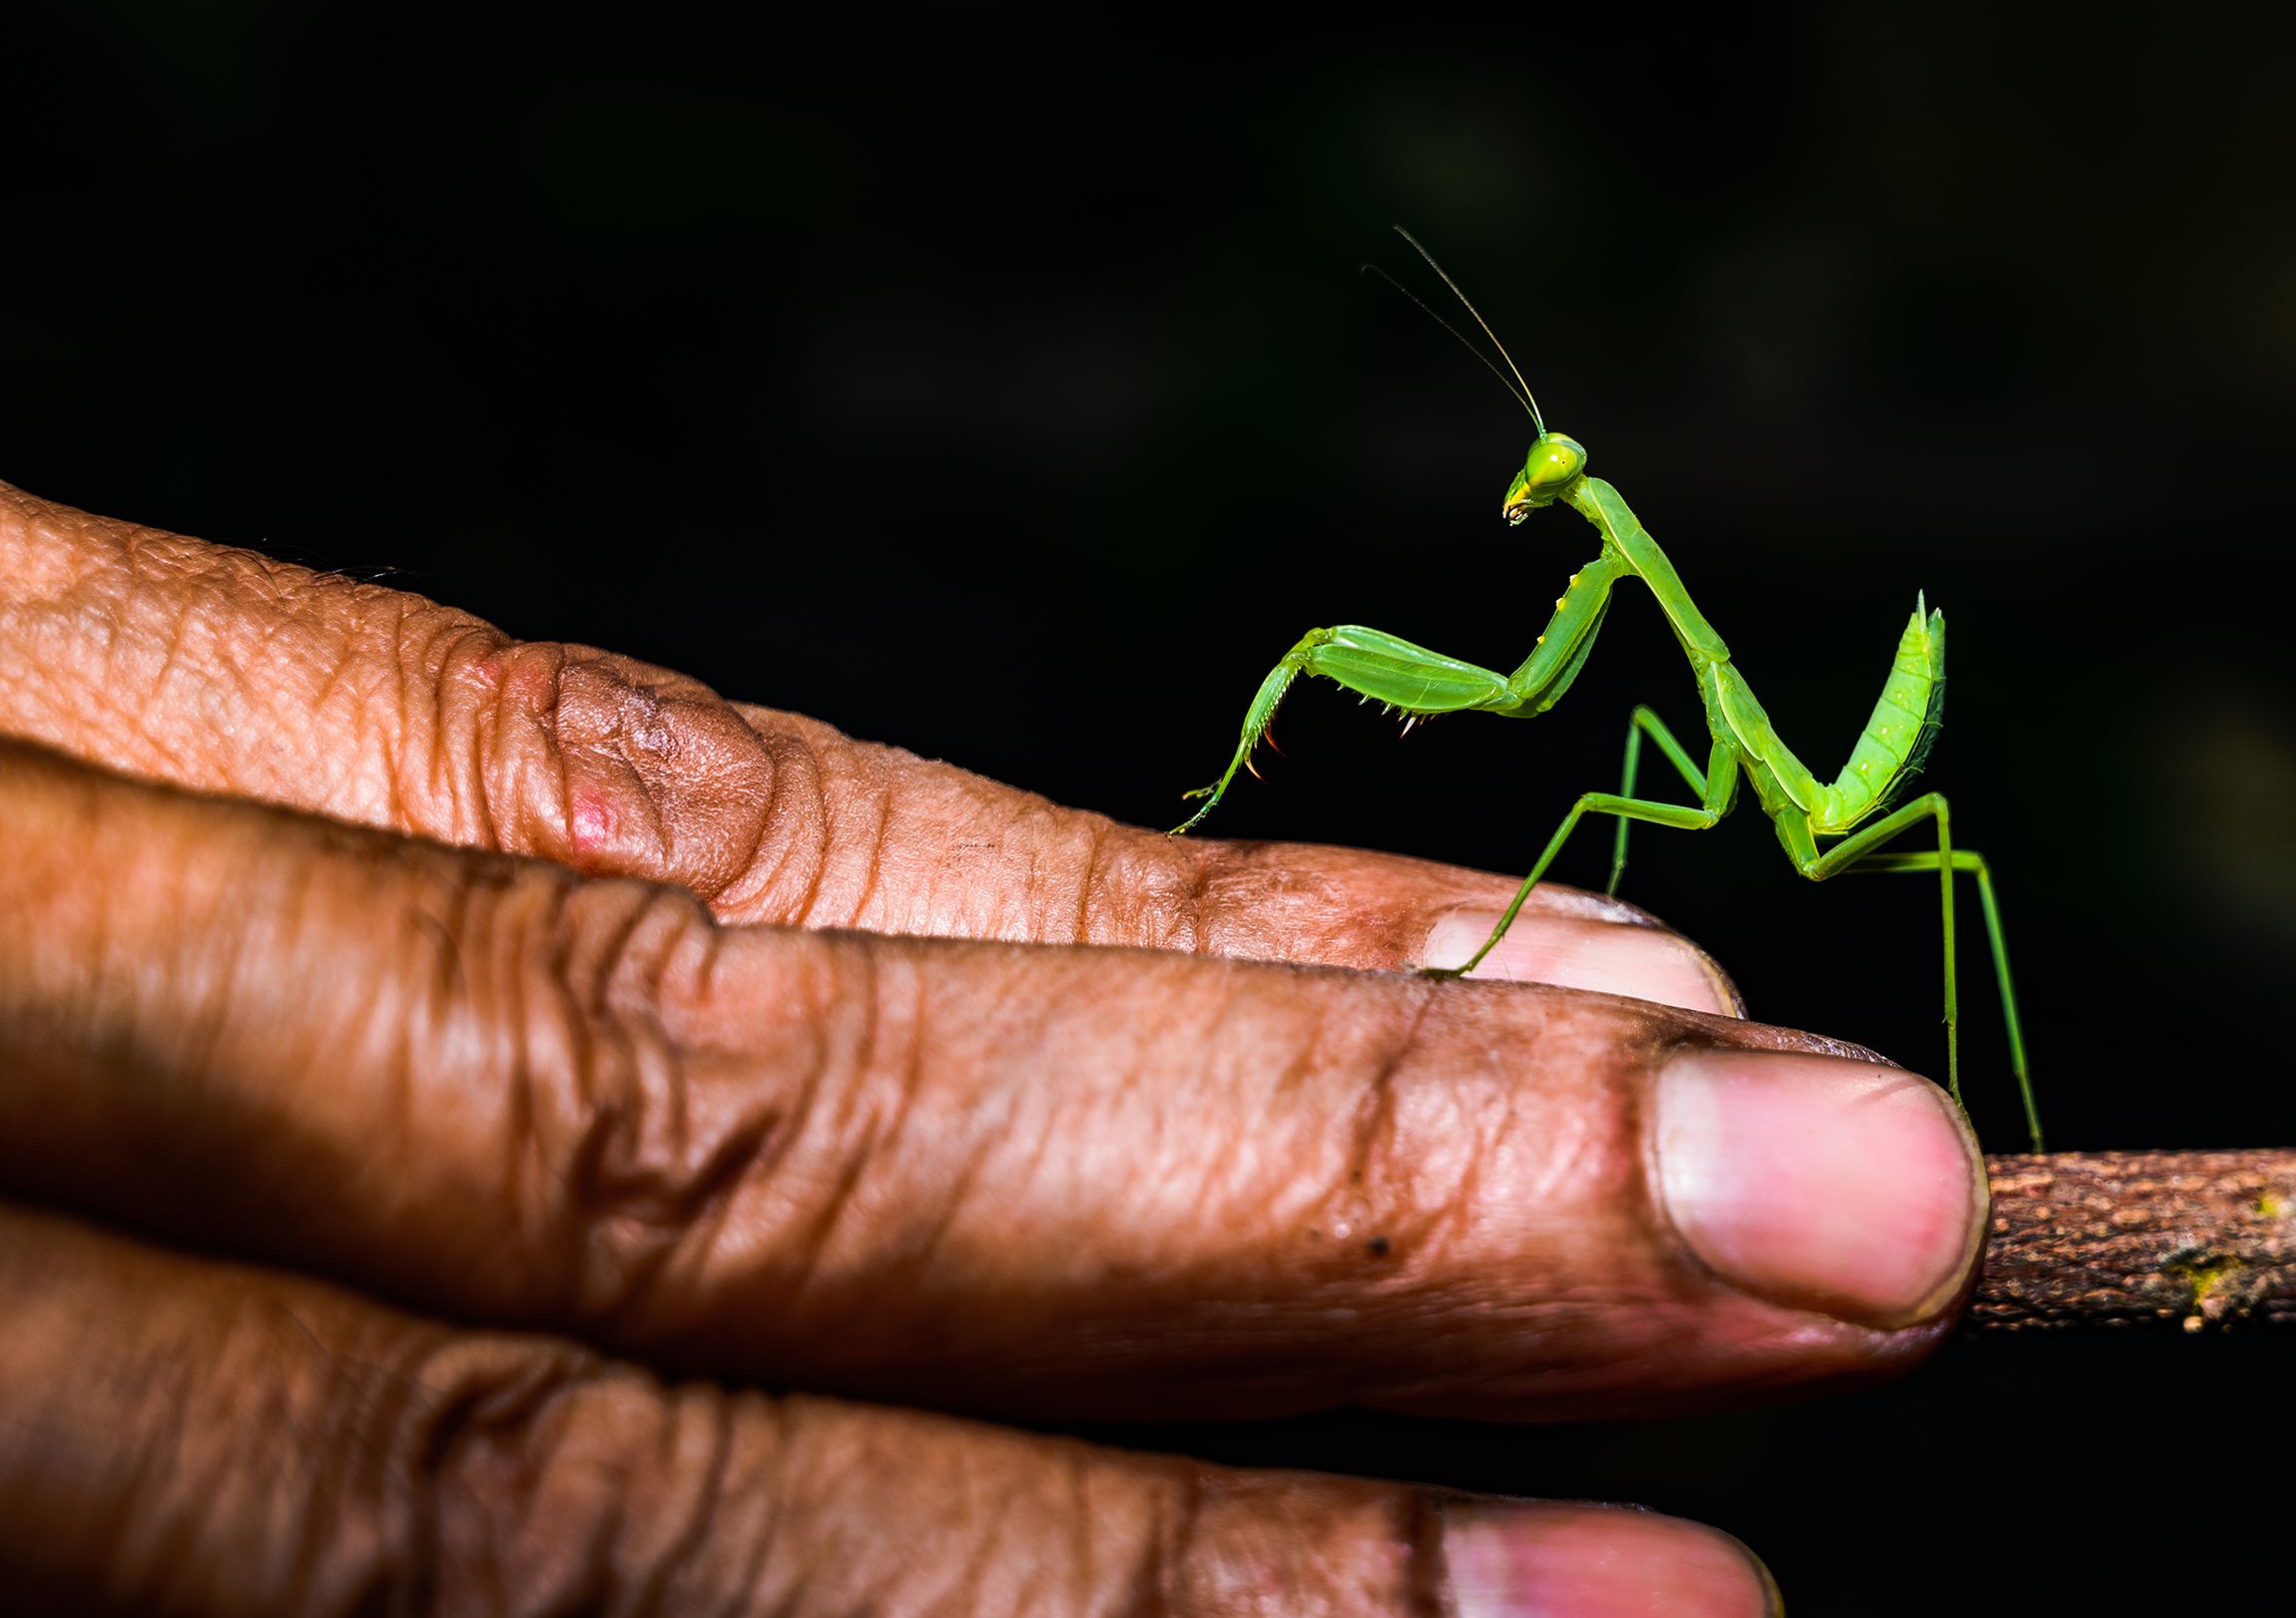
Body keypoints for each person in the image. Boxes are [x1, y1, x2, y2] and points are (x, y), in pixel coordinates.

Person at [0, 480, 1987, 1616]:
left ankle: (1979, 1129)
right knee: (1634, 786)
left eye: (1555, 496)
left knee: (1897, 853)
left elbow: (1581, 719)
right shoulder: (1608, 589)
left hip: (1844, 795)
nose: (1536, 506)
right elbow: (1553, 692)